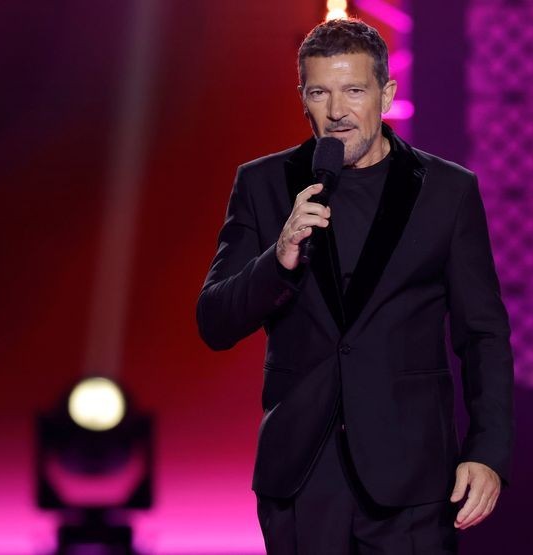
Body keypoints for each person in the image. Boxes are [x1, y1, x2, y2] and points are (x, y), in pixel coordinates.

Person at [197, 18, 514, 554]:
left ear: (386, 95)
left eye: (354, 90)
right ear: (303, 98)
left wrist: (487, 451)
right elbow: (215, 322)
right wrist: (278, 260)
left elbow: (482, 334)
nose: (337, 110)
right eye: (320, 92)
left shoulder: (447, 190)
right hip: (301, 477)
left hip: (411, 480)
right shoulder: (264, 184)